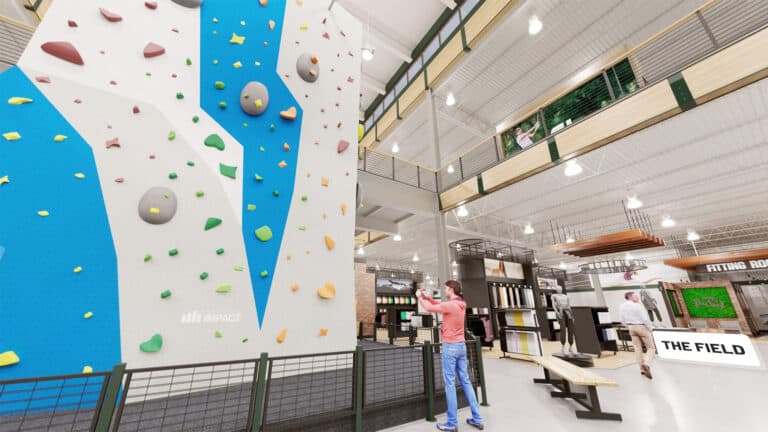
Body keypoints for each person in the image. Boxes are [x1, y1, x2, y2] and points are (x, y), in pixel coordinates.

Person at [417, 281, 484, 431]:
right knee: (466, 381)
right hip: (461, 346)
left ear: (452, 289)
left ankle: (452, 424)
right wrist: (427, 297)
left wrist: (419, 298)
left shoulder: (450, 305)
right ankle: (477, 418)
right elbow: (438, 304)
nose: (445, 290)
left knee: (450, 384)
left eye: (447, 288)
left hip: (450, 347)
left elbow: (429, 308)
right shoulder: (461, 303)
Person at [619, 291, 656, 379]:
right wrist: (650, 328)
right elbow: (644, 318)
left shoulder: (621, 306)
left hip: (630, 327)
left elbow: (622, 319)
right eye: (635, 296)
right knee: (651, 348)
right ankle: (646, 364)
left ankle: (642, 369)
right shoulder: (637, 305)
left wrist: (628, 326)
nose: (637, 298)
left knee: (637, 348)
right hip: (641, 327)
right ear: (630, 297)